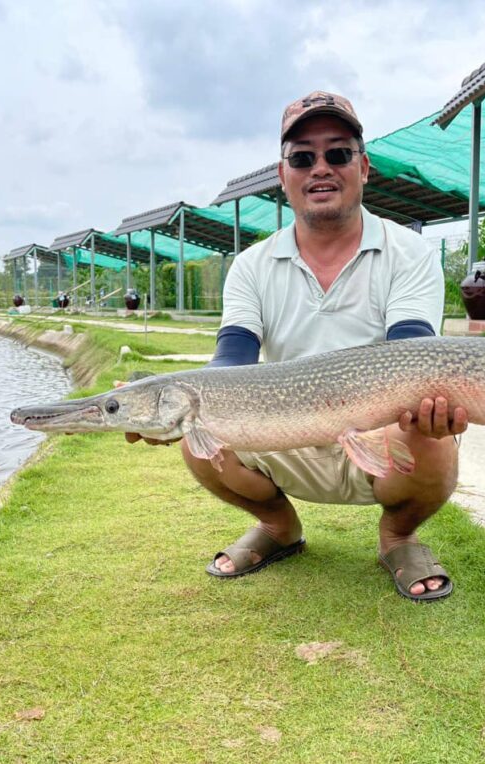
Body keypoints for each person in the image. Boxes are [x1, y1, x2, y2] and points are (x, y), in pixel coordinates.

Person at [128, 91, 466, 601]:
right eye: (302, 158)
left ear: (364, 166)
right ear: (283, 176)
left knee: (434, 440)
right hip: (286, 436)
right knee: (201, 438)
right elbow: (232, 360)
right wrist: (168, 402)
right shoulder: (251, 265)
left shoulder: (408, 251)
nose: (321, 168)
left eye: (338, 153)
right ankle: (279, 528)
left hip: (379, 436)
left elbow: (410, 350)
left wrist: (429, 408)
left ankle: (398, 536)